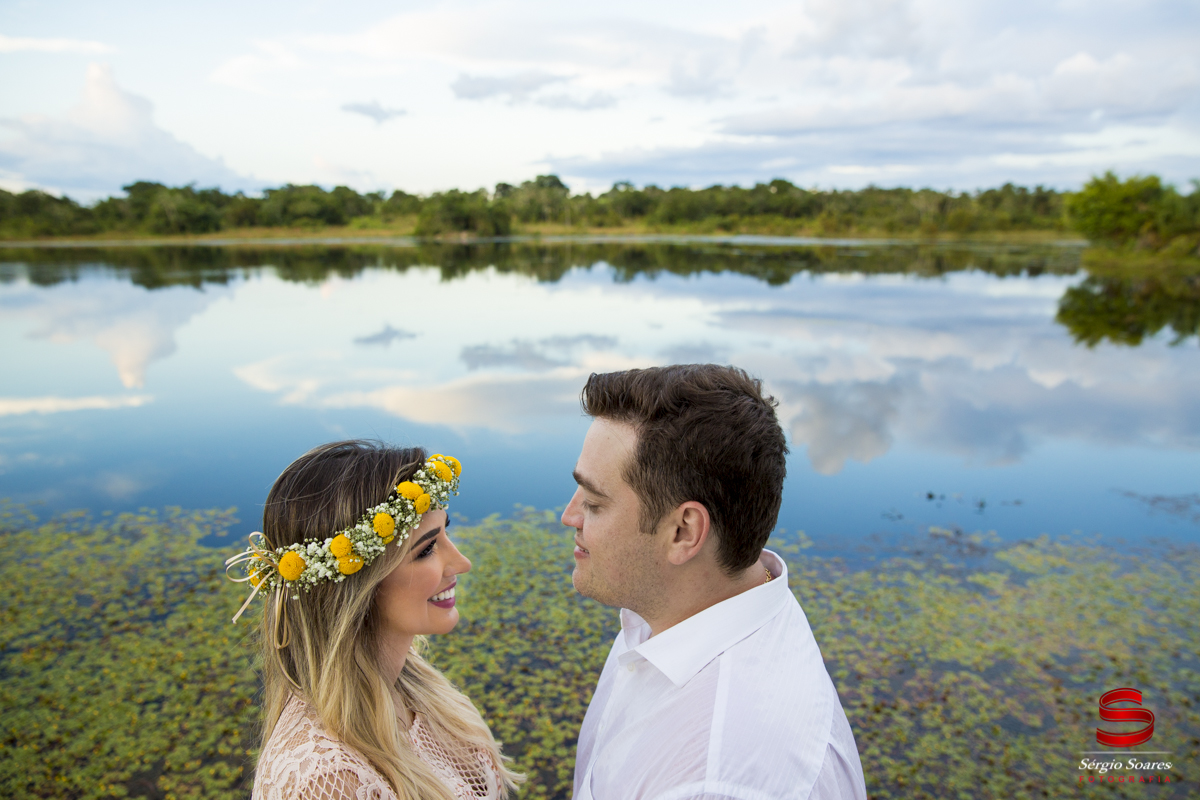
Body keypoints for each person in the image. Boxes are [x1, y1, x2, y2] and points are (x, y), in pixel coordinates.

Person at [562, 365, 867, 800]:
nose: (569, 517)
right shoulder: (678, 607)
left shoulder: (716, 776)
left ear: (684, 531)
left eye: (594, 502)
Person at [225, 440, 521, 800]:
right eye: (426, 548)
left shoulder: (414, 686)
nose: (461, 563)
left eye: (446, 531)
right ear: (357, 587)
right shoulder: (325, 781)